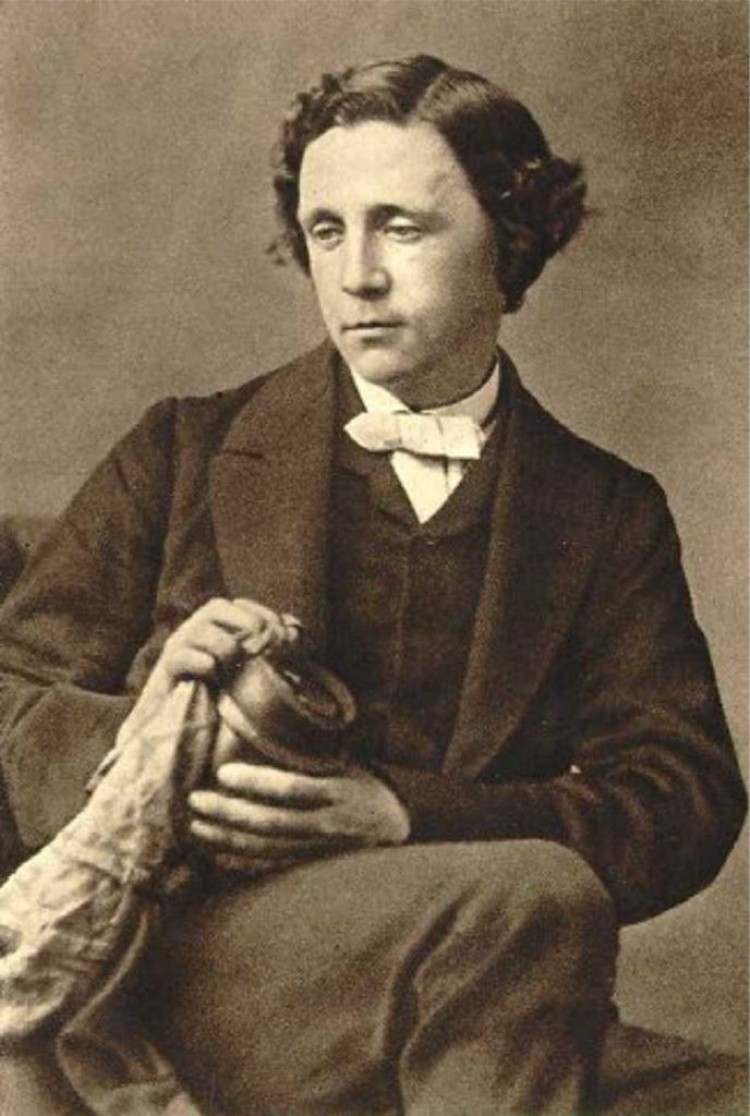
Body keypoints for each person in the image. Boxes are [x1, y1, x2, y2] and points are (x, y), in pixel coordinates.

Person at [0, 54, 746, 1114]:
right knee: (533, 892)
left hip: (475, 989)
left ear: (508, 239)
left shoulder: (604, 510)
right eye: (327, 231)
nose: (356, 276)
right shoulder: (184, 451)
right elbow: (9, 697)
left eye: (400, 227)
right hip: (187, 980)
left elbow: (681, 794)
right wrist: (147, 727)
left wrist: (406, 815)